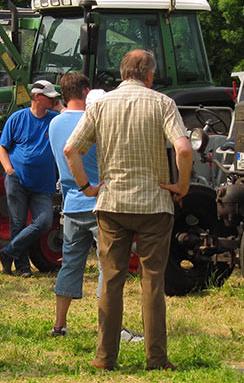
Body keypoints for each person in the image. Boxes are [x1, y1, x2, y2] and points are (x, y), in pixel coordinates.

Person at [64, 49, 192, 371]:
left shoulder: (100, 105)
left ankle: (105, 358)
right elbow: (184, 148)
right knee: (152, 282)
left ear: (122, 73)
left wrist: (87, 188)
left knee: (111, 281)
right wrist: (183, 185)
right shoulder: (163, 103)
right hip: (154, 205)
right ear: (149, 75)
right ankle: (157, 359)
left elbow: (71, 149)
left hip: (112, 203)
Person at [48, 73, 143, 343]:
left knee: (70, 265)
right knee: (109, 267)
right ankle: (113, 329)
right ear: (87, 92)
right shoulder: (95, 120)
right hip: (98, 201)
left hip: (71, 203)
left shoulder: (54, 125)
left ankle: (60, 325)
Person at [0, 80, 64, 277]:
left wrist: (60, 106)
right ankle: (22, 267)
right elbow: (3, 146)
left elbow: (73, 118)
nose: (54, 100)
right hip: (16, 180)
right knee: (18, 224)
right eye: (50, 97)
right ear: (37, 97)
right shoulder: (17, 118)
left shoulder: (54, 119)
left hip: (42, 185)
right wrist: (9, 169)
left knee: (44, 222)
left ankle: (8, 251)